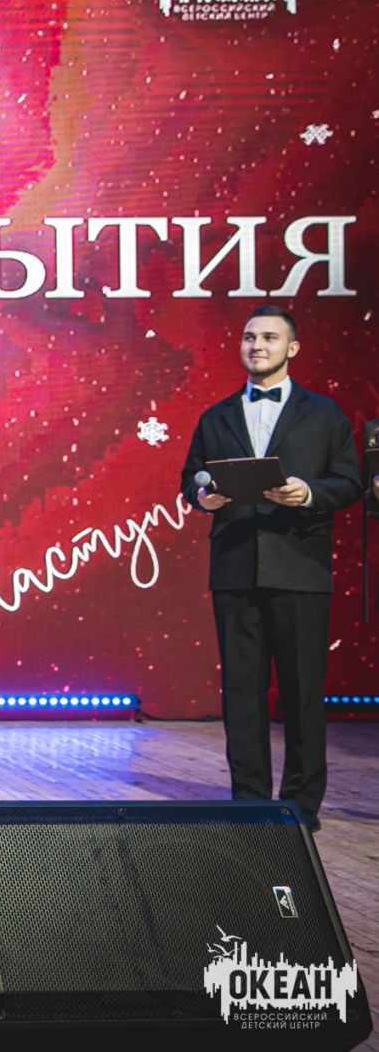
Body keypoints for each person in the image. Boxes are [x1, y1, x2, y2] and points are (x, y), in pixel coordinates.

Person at [180, 305, 360, 834]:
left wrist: (308, 492)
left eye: (269, 338)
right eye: (250, 337)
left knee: (302, 694)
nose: (257, 346)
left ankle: (301, 806)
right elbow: (192, 479)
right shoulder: (216, 416)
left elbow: (349, 482)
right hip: (235, 567)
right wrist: (203, 497)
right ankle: (250, 802)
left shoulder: (324, 415)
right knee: (241, 692)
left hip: (299, 568)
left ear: (291, 348)